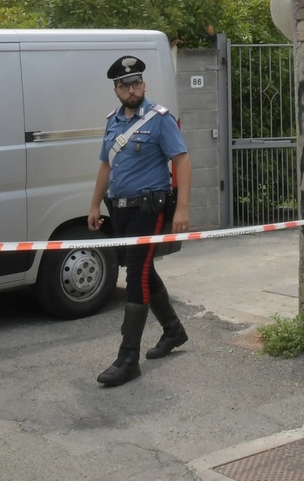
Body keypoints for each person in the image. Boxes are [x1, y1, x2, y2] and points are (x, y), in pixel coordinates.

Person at [87, 55, 191, 387]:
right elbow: (106, 165)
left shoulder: (160, 119)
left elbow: (182, 160)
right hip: (119, 210)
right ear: (116, 90)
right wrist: (93, 207)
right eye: (124, 85)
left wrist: (182, 209)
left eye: (136, 84)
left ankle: (128, 358)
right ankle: (173, 330)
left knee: (136, 276)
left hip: (149, 208)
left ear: (143, 85)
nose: (131, 90)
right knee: (144, 269)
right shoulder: (113, 122)